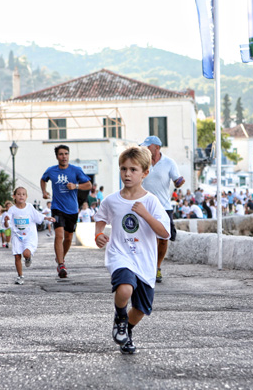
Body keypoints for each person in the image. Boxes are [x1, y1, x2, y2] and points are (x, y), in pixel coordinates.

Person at [94, 146, 170, 354]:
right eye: (123, 169)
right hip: (120, 255)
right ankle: (120, 317)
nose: (127, 174)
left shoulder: (151, 202)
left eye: (133, 170)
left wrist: (146, 214)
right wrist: (98, 235)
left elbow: (164, 233)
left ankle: (126, 331)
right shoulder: (112, 200)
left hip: (144, 260)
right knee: (125, 288)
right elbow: (100, 219)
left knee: (141, 309)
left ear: (145, 173)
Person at [41, 145, 91, 278]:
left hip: (72, 209)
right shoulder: (51, 171)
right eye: (61, 154)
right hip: (57, 207)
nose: (64, 156)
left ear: (69, 155)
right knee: (59, 235)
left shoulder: (75, 170)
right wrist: (44, 191)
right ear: (57, 156)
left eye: (66, 154)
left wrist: (76, 186)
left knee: (69, 237)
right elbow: (43, 179)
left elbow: (89, 185)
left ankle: (60, 257)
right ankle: (61, 265)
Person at [140, 135, 184, 283]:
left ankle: (157, 267)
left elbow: (176, 180)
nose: (145, 149)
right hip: (144, 206)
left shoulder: (169, 162)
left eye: (147, 146)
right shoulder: (141, 162)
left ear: (156, 148)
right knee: (145, 238)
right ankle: (145, 267)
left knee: (164, 239)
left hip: (164, 207)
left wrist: (179, 182)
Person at [4, 187, 54, 285]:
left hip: (29, 236)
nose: (21, 196)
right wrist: (6, 220)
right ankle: (20, 276)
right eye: (18, 194)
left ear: (26, 197)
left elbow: (38, 216)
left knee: (26, 253)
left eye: (23, 194)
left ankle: (28, 258)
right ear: (14, 196)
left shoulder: (30, 207)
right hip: (17, 236)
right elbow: (7, 225)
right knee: (17, 256)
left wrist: (47, 218)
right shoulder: (12, 210)